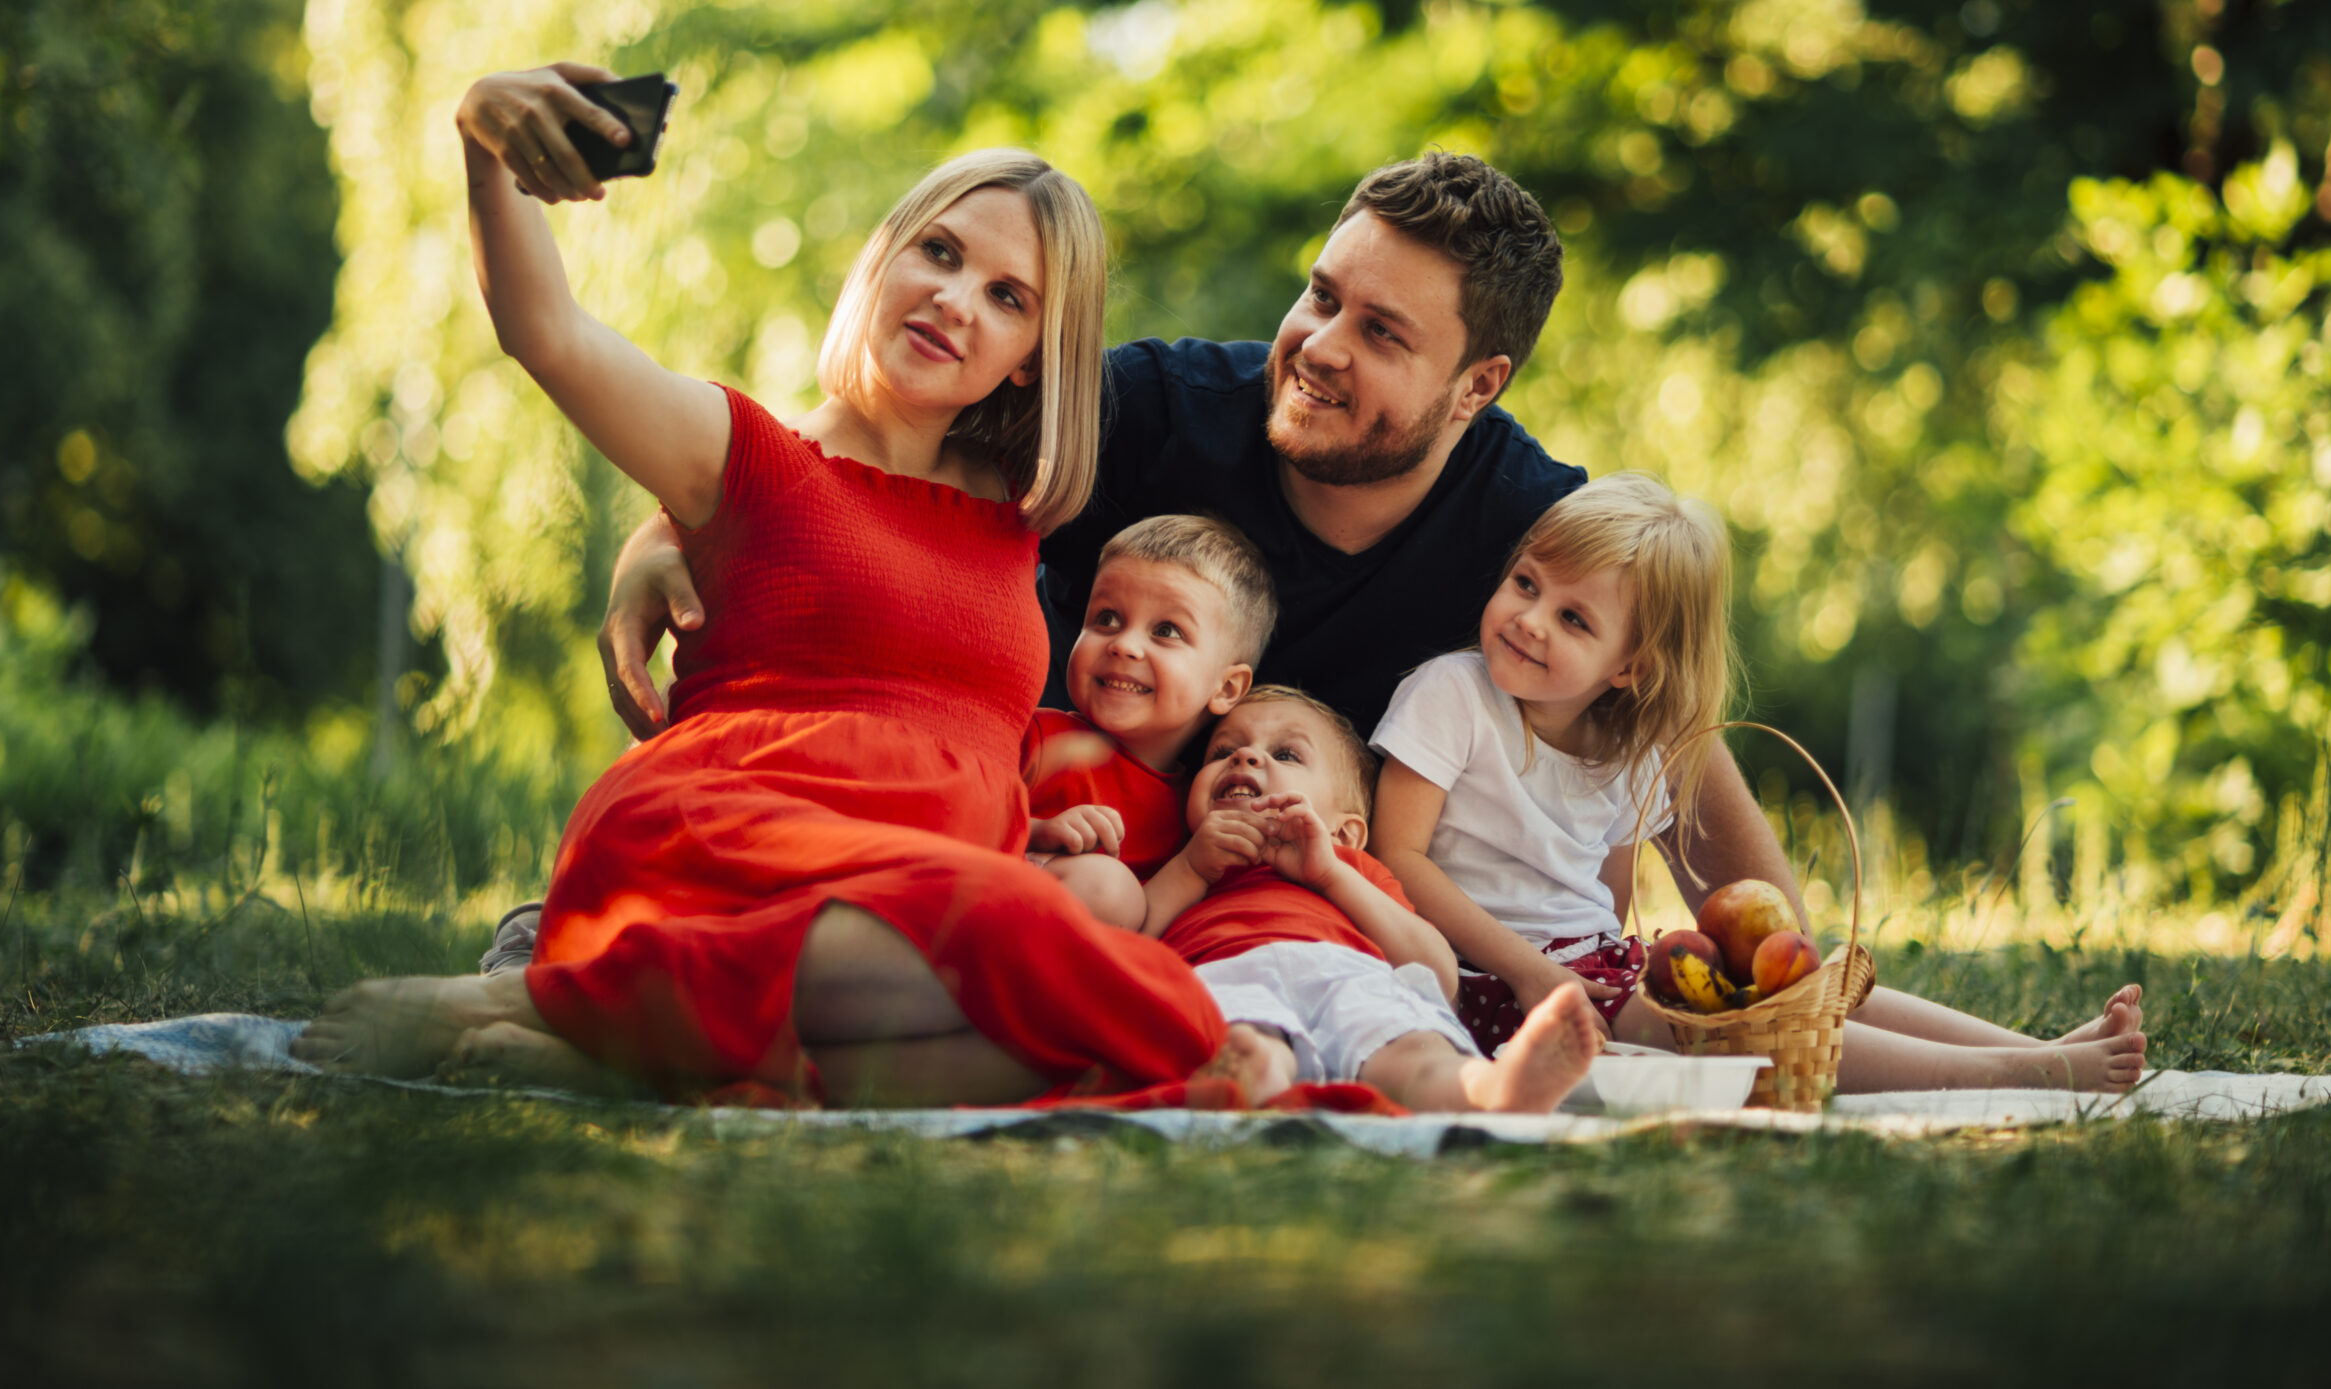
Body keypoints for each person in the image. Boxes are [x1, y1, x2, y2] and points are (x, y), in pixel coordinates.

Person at [293, 61, 1286, 1107]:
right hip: (723, 838)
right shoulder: (744, 450)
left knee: (1068, 997)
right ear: (884, 257)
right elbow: (551, 334)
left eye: (1006, 297)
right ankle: (552, 1001)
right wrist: (484, 144)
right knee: (1087, 972)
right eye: (938, 253)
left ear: (1034, 356)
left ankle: (627, 1041)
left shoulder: (1024, 506)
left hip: (907, 904)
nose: (954, 301)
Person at [589, 150, 1814, 947]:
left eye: (1381, 331)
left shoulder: (1524, 530)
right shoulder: (1149, 410)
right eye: (1320, 294)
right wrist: (667, 528)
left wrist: (1776, 947)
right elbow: (860, 450)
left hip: (1294, 893)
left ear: (1473, 386)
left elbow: (1660, 716)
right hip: (1065, 842)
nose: (1320, 342)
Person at [1371, 473, 2149, 1093]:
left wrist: (1628, 963)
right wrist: (1530, 968)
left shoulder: (1628, 751)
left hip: (1590, 965)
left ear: (1630, 667)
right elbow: (1399, 859)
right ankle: (2016, 1076)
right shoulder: (1452, 696)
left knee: (1792, 983)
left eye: (1575, 619)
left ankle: (2035, 1046)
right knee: (1734, 1037)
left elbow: (1605, 903)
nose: (1530, 618)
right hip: (1488, 978)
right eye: (1526, 583)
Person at [1142, 688, 1606, 1112]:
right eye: (1222, 751)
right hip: (1226, 975)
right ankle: (1256, 1076)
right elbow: (1134, 946)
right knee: (1242, 1037)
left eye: (1285, 753)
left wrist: (1332, 874)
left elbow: (1439, 974)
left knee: (1411, 1047)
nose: (1244, 756)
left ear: (1344, 832)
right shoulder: (1184, 865)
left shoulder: (1351, 870)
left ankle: (1486, 1091)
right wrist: (1191, 867)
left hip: (1349, 977)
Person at [1016, 513, 1275, 931]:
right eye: (1106, 618)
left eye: (1167, 630)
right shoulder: (1038, 736)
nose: (1124, 644)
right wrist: (1037, 830)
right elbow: (957, 814)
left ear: (1226, 688)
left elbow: (1147, 930)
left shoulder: (1195, 814)